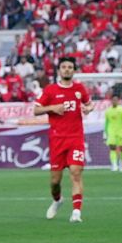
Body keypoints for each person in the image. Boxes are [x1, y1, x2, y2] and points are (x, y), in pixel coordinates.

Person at [33, 57, 93, 223]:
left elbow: (89, 104)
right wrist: (52, 108)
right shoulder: (51, 90)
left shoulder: (80, 89)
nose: (67, 69)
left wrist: (88, 109)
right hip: (57, 140)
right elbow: (36, 110)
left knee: (75, 173)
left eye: (70, 67)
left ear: (73, 70)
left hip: (76, 138)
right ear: (59, 70)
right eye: (64, 67)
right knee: (55, 181)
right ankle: (58, 200)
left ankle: (76, 213)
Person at [104, 92, 122, 172]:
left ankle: (121, 163)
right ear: (111, 101)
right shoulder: (108, 111)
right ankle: (114, 165)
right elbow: (106, 123)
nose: (114, 101)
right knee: (112, 148)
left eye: (116, 100)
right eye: (113, 100)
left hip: (121, 132)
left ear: (118, 101)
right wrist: (105, 133)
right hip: (111, 132)